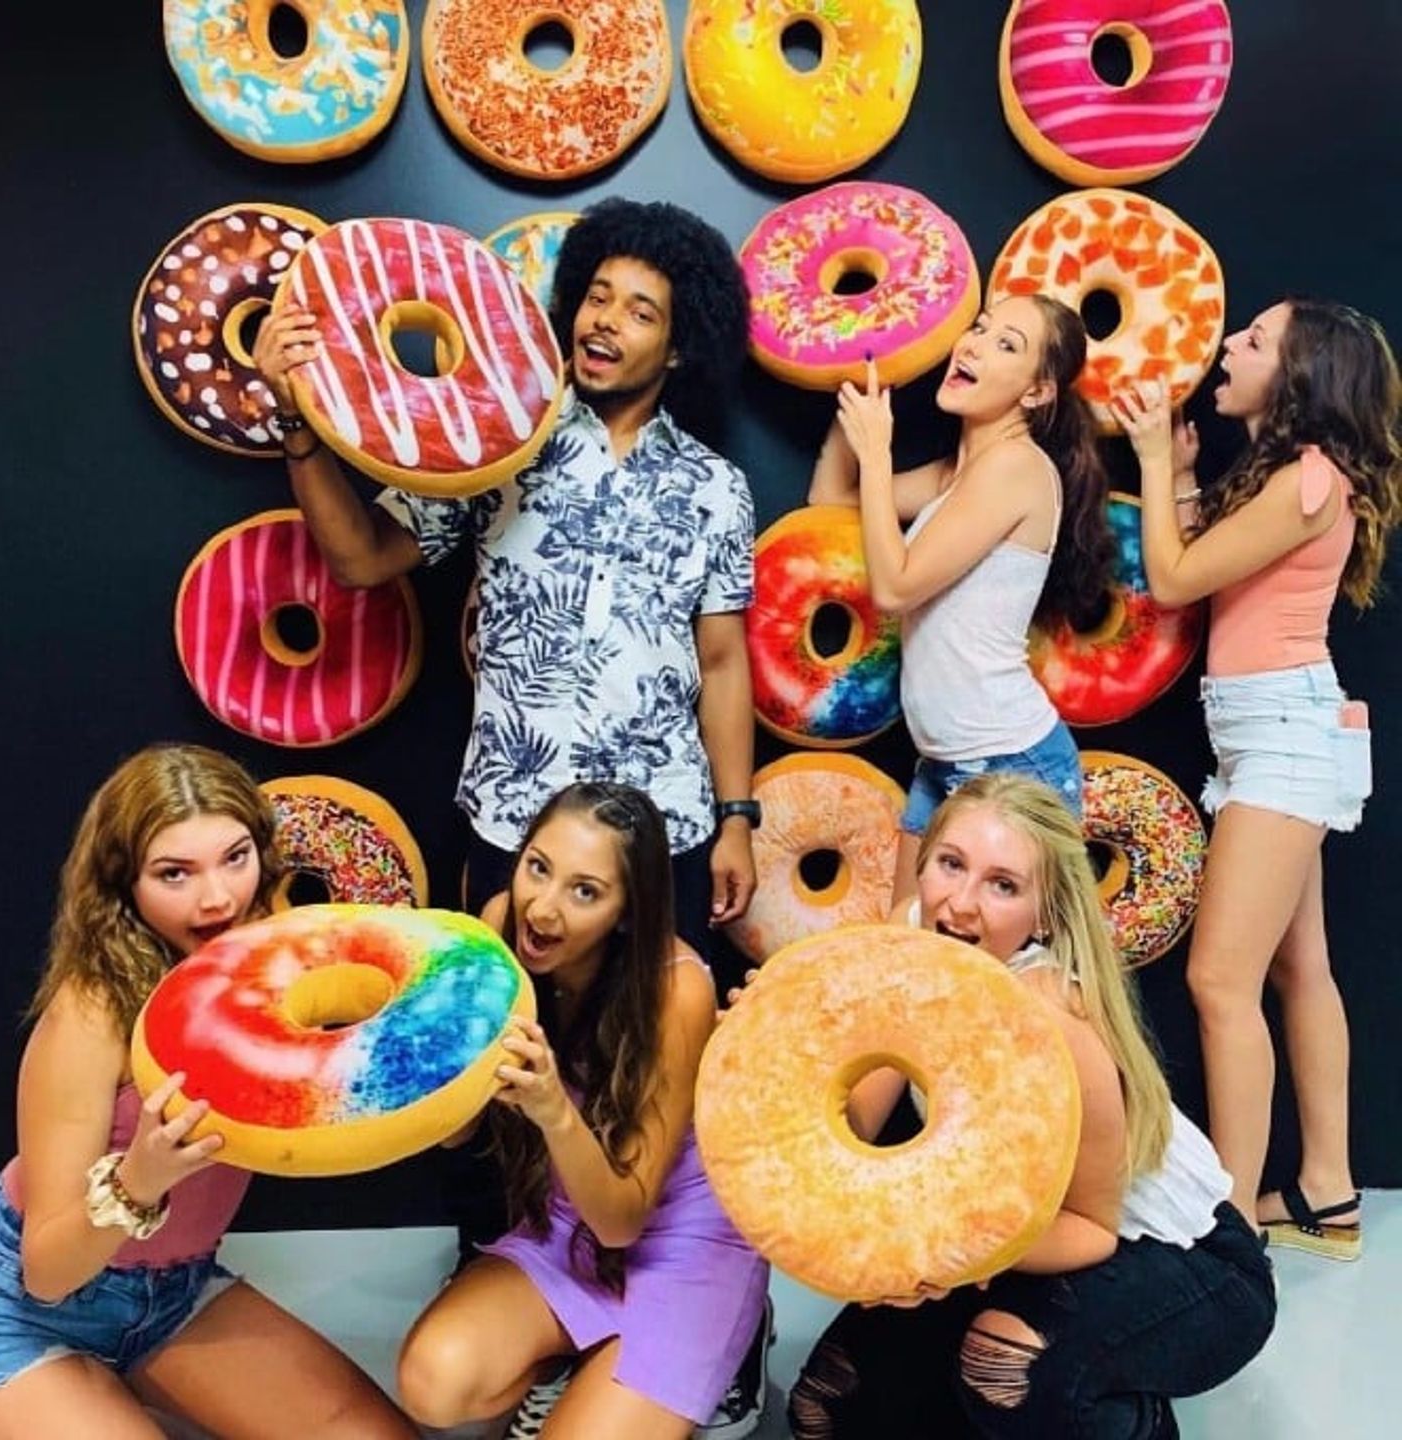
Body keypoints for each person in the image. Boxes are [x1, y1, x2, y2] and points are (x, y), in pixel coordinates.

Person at [254, 197, 760, 964]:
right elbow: (361, 559)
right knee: (506, 1051)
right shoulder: (497, 443)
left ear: (679, 348)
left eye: (638, 311)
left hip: (665, 827)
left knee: (655, 1059)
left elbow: (722, 662)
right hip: (516, 821)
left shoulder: (718, 488)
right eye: (596, 297)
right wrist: (296, 424)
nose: (603, 321)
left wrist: (736, 819)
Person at [786, 773, 1276, 1438]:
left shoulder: (1047, 1020)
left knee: (1000, 1370)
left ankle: (1131, 1418)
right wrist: (783, 1057)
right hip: (1024, 1239)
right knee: (827, 1404)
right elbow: (854, 1131)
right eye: (950, 864)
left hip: (1184, 1260)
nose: (960, 903)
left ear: (1043, 913)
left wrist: (947, 1259)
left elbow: (1091, 1228)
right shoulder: (915, 937)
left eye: (1003, 884)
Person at [0, 744, 416, 1440]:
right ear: (125, 886)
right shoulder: (94, 1011)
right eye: (175, 873)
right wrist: (138, 1181)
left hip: (173, 1292)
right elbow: (47, 1273)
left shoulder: (279, 973)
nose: (217, 897)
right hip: (19, 1310)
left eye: (236, 857)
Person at [1113, 299, 1402, 1254]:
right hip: (1273, 733)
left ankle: (1226, 1225)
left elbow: (1175, 580)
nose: (1228, 348)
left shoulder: (1309, 480)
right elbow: (1216, 568)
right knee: (1298, 967)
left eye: (1255, 340)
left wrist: (1156, 463)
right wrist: (1190, 481)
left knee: (1218, 982)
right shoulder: (1290, 476)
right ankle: (1328, 1189)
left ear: (1304, 375)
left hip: (1282, 738)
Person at [393, 781, 770, 1440]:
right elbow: (457, 1136)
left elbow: (625, 1220)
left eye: (585, 891)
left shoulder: (675, 988)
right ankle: (576, 1359)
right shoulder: (499, 922)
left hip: (679, 1239)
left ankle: (732, 1340)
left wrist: (551, 1110)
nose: (543, 908)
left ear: (627, 912)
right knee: (432, 1383)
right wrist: (439, 1055)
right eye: (539, 867)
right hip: (569, 1225)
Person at [810, 295, 1114, 907]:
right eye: (979, 330)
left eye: (1007, 344)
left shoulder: (1016, 468)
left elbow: (895, 587)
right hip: (943, 762)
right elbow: (828, 496)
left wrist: (877, 452)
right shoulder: (956, 474)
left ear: (1036, 393)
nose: (973, 344)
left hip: (1012, 763)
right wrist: (864, 377)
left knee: (1003, 985)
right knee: (908, 956)